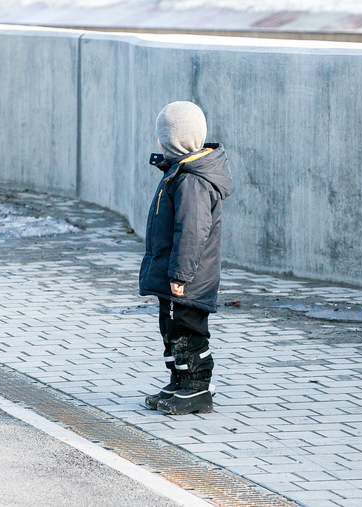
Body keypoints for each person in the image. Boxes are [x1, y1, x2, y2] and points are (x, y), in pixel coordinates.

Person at [139, 101, 233, 415]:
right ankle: (180, 380)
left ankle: (197, 386)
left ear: (173, 143)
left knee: (187, 330)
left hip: (188, 279)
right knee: (171, 328)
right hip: (177, 274)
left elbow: (192, 232)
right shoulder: (180, 173)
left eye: (162, 139)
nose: (158, 144)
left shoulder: (192, 181)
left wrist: (180, 276)